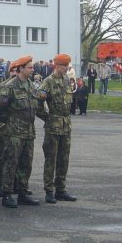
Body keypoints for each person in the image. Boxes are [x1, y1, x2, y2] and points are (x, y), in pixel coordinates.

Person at [0, 55, 41, 208]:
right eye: (30, 67)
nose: (32, 70)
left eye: (32, 67)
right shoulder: (10, 86)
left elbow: (36, 106)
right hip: (13, 132)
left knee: (26, 163)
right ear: (20, 69)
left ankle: (22, 192)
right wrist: (8, 122)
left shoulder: (31, 85)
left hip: (28, 131)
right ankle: (7, 194)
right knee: (10, 162)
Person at [38, 53, 77, 204]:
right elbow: (38, 103)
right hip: (53, 125)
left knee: (63, 159)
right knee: (51, 159)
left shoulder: (66, 80)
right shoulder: (48, 83)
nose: (67, 68)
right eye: (65, 66)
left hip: (66, 125)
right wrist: (47, 117)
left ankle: (61, 189)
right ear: (57, 66)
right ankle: (49, 190)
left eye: (68, 66)